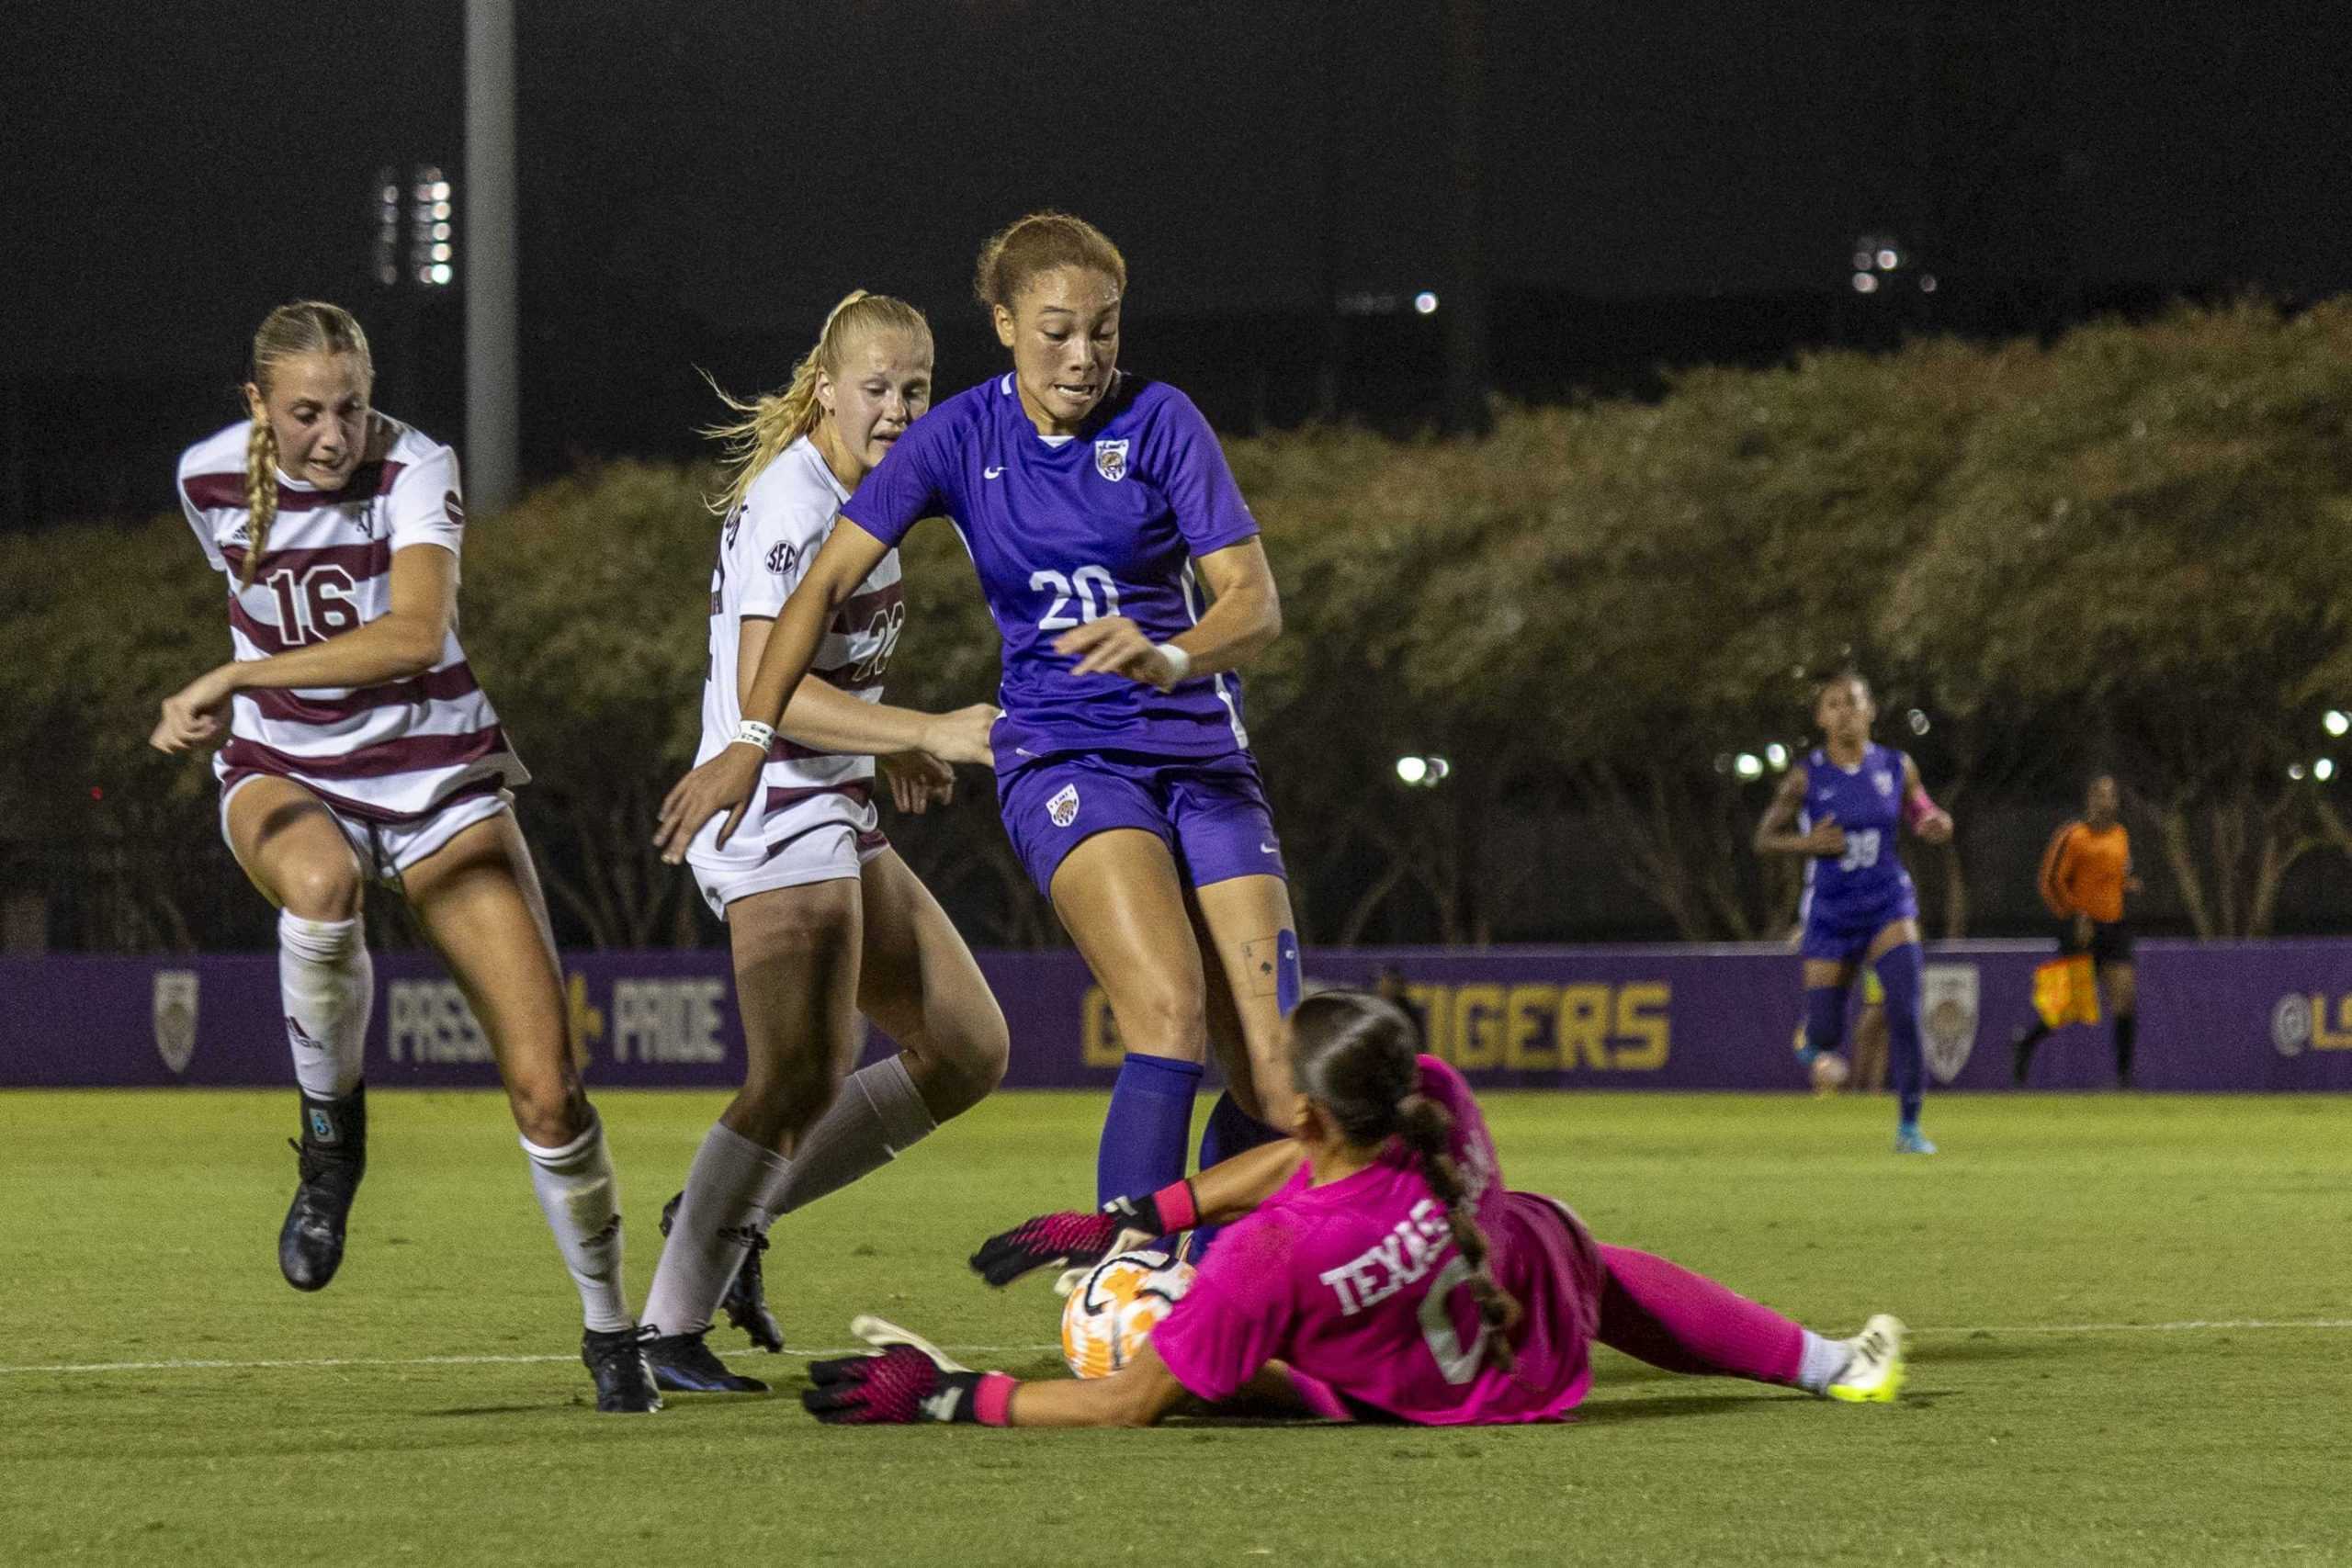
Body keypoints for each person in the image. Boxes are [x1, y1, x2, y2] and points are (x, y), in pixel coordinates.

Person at [657, 212, 1298, 1222]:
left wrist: (1171, 653)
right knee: (1169, 1015)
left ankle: (1222, 1287)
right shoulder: (958, 435)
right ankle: (1123, 1288)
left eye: (1105, 329)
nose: (1083, 356)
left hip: (1206, 759)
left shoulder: (1164, 420)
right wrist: (749, 738)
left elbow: (1253, 604)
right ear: (1002, 324)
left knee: (1274, 1073)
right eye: (1055, 331)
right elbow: (819, 588)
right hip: (1068, 757)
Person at [153, 301, 657, 1413]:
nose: (334, 436)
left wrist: (229, 676)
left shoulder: (416, 465)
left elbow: (417, 633)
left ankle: (612, 1329)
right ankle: (331, 1152)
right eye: (305, 414)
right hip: (285, 766)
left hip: (436, 778)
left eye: (351, 407)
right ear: (257, 408)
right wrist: (250, 704)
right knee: (321, 888)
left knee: (547, 1091)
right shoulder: (205, 481)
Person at [797, 989, 1906, 1428]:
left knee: (1173, 1350)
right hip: (1528, 1326)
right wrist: (1140, 1212)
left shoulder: (1275, 1250)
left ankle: (1216, 1356)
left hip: (1414, 1389)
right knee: (1567, 1235)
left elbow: (1125, 1405)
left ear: (1313, 1117)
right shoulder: (1438, 1102)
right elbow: (1305, 1164)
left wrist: (950, 1395)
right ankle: (1827, 1363)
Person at [639, 291, 1009, 1393]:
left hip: (829, 800)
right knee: (798, 1074)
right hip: (768, 809)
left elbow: (827, 676)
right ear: (829, 384)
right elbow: (772, 691)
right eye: (878, 388)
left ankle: (723, 1214)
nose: (898, 408)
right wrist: (926, 729)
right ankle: (664, 1328)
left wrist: (883, 745)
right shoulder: (796, 503)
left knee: (966, 1047)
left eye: (916, 388)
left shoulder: (873, 490)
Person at [1753, 673, 1953, 1153]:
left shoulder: (1896, 766)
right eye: (1833, 704)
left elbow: (1921, 810)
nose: (1844, 711)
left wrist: (1933, 822)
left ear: (1871, 711)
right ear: (1821, 718)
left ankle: (1909, 1126)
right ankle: (1813, 1036)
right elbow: (1763, 839)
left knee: (1903, 1008)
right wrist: (1806, 843)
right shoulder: (1808, 775)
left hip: (1888, 901)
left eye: (1853, 702)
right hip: (1832, 912)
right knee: (1826, 1031)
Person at [2010, 774, 2141, 1088]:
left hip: (2115, 926)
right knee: (2068, 1006)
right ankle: (2025, 1044)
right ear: (2089, 800)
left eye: (2110, 796)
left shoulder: (2121, 836)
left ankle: (2124, 1078)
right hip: (2083, 928)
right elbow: (2049, 882)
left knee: (2125, 998)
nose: (2104, 802)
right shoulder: (2073, 836)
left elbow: (2118, 875)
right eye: (2098, 795)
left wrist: (2128, 885)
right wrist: (2074, 915)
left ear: (2116, 803)